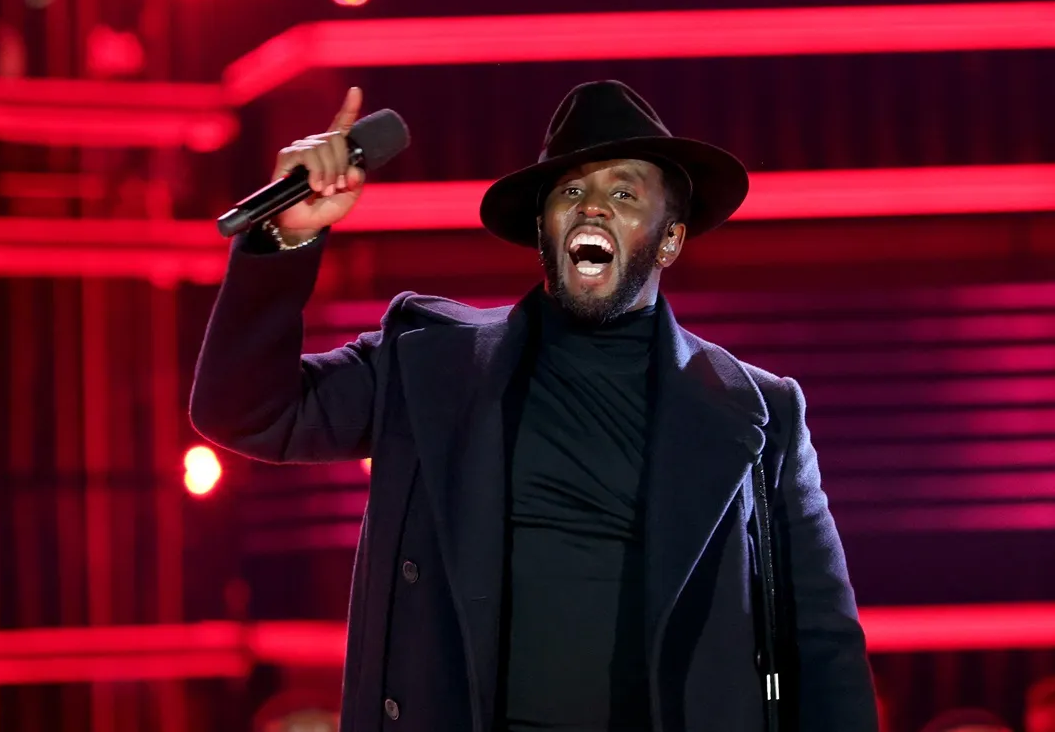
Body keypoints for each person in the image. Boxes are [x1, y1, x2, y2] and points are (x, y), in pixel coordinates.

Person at [190, 80, 878, 732]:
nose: (593, 206)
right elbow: (246, 410)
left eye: (625, 191)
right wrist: (287, 238)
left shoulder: (761, 413)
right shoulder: (429, 364)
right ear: (542, 228)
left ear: (670, 238)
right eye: (571, 189)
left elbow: (824, 646)